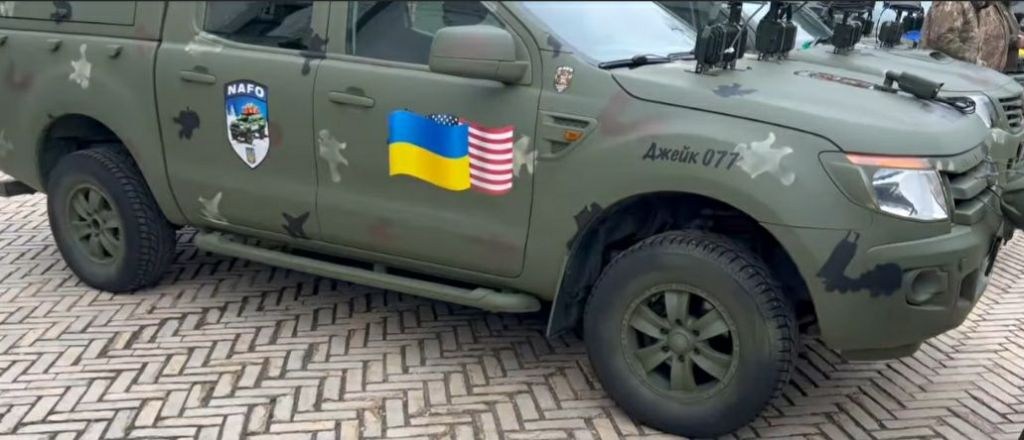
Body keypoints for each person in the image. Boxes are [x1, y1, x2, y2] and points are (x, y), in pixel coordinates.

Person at [922, 1, 1023, 72]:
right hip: (941, 75)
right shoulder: (954, 3)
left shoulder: (975, 6)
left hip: (962, 75)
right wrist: (975, 62)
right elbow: (942, 39)